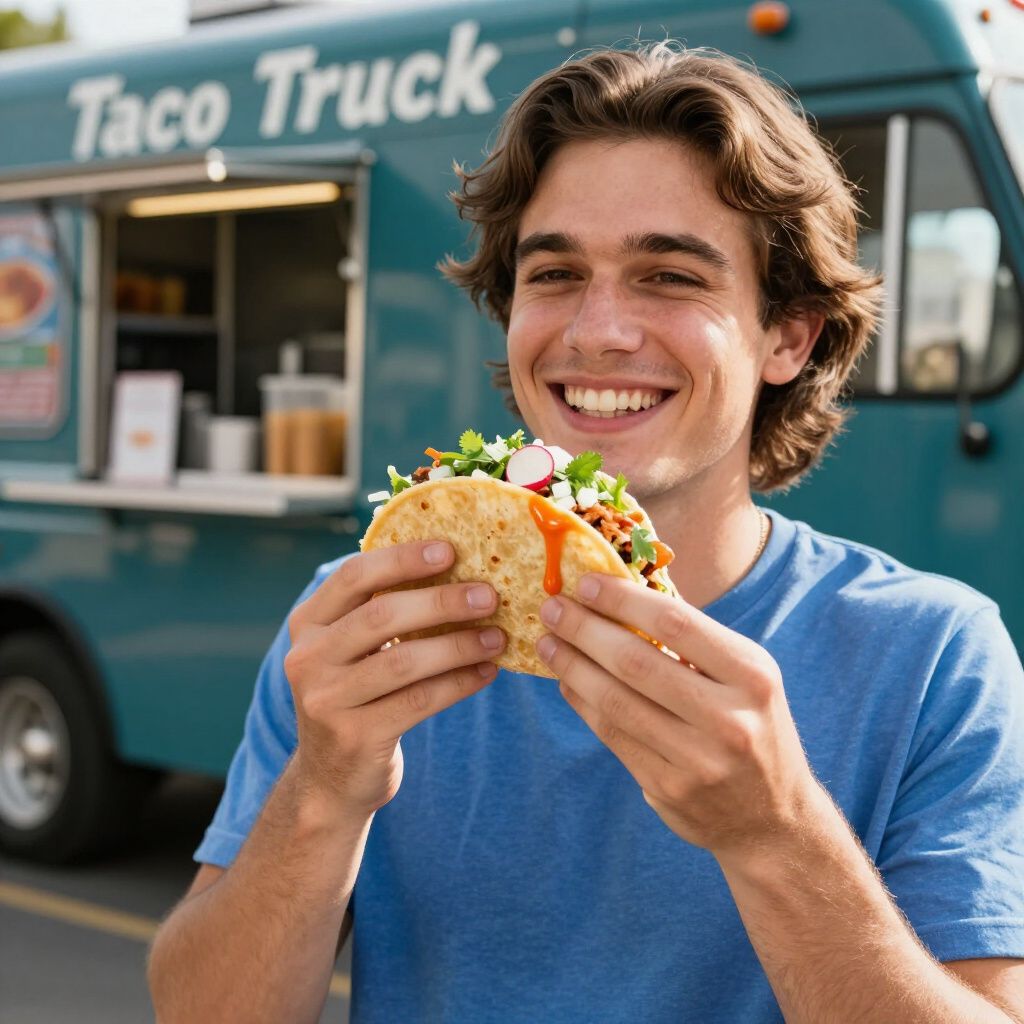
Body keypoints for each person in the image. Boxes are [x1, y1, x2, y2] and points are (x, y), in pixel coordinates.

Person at [148, 44, 1024, 1023]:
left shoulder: (934, 658)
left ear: (791, 336)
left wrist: (771, 833)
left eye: (668, 276)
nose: (598, 329)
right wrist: (322, 790)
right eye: (555, 272)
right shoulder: (368, 619)